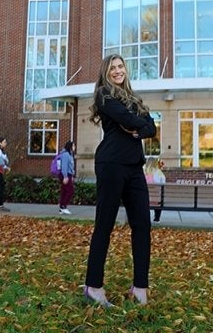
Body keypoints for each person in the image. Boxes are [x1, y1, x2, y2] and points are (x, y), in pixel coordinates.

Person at [84, 54, 156, 307]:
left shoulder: (133, 98)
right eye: (112, 67)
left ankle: (140, 288)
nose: (117, 70)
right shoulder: (104, 95)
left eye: (120, 66)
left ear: (126, 69)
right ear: (106, 72)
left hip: (135, 167)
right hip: (111, 165)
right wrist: (139, 125)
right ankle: (93, 286)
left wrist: (141, 127)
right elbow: (131, 120)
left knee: (142, 226)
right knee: (104, 224)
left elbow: (151, 127)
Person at [144, 158, 166, 222]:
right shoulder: (158, 172)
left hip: (145, 198)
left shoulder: (143, 171)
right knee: (158, 198)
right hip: (156, 199)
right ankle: (157, 218)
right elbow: (163, 182)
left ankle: (145, 218)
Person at [57, 140, 76, 215]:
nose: (75, 147)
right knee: (70, 191)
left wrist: (71, 176)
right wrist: (65, 177)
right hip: (65, 174)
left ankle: (61, 207)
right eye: (74, 146)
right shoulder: (65, 155)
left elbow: (70, 166)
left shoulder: (69, 154)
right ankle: (64, 206)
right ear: (70, 147)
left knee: (64, 191)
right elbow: (64, 166)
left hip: (68, 174)